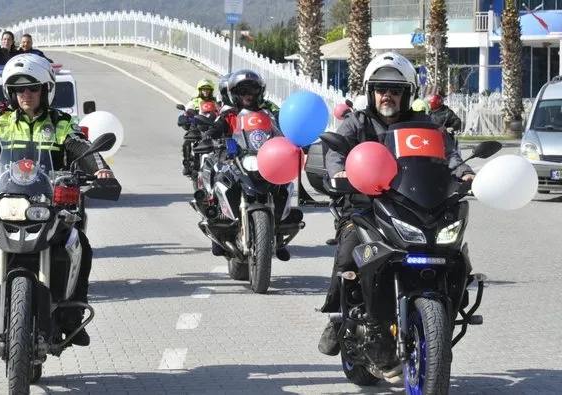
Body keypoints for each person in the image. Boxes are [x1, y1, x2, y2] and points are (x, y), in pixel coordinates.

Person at [0, 54, 115, 347]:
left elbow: (82, 146)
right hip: (7, 200)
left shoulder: (61, 123)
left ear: (44, 90)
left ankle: (73, 312)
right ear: (11, 93)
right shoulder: (1, 122)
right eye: (20, 89)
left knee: (79, 244)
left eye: (32, 88)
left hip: (50, 203)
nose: (26, 94)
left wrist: (99, 168)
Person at [317, 52, 475, 357]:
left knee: (454, 254)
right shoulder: (357, 122)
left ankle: (447, 309)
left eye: (396, 90)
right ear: (370, 92)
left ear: (407, 94)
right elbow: (335, 149)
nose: (387, 95)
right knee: (350, 250)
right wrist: (339, 170)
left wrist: (464, 172)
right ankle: (338, 317)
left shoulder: (423, 125)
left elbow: (448, 153)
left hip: (414, 205)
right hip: (365, 204)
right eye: (381, 89)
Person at [199, 69, 291, 261]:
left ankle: (280, 232)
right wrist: (209, 135)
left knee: (285, 183)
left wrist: (291, 137)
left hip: (265, 158)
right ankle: (216, 222)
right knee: (218, 174)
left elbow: (283, 125)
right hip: (235, 157)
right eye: (243, 91)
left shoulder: (269, 111)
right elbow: (216, 127)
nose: (248, 95)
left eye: (252, 90)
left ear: (259, 92)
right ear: (235, 93)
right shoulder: (228, 113)